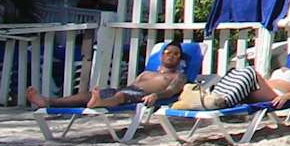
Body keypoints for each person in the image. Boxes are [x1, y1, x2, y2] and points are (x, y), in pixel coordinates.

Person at [26, 40, 189, 111]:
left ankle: (100, 103)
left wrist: (156, 95)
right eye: (168, 52)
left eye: (176, 54)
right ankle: (49, 102)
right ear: (161, 56)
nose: (171, 56)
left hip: (143, 96)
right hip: (126, 90)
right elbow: (131, 85)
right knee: (86, 95)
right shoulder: (147, 73)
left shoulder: (178, 76)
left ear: (180, 58)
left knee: (121, 96)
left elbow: (171, 91)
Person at [176, 41, 290, 112]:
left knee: (249, 71)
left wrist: (286, 97)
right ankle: (211, 98)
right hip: (264, 91)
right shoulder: (287, 67)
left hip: (277, 96)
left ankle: (221, 102)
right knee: (235, 72)